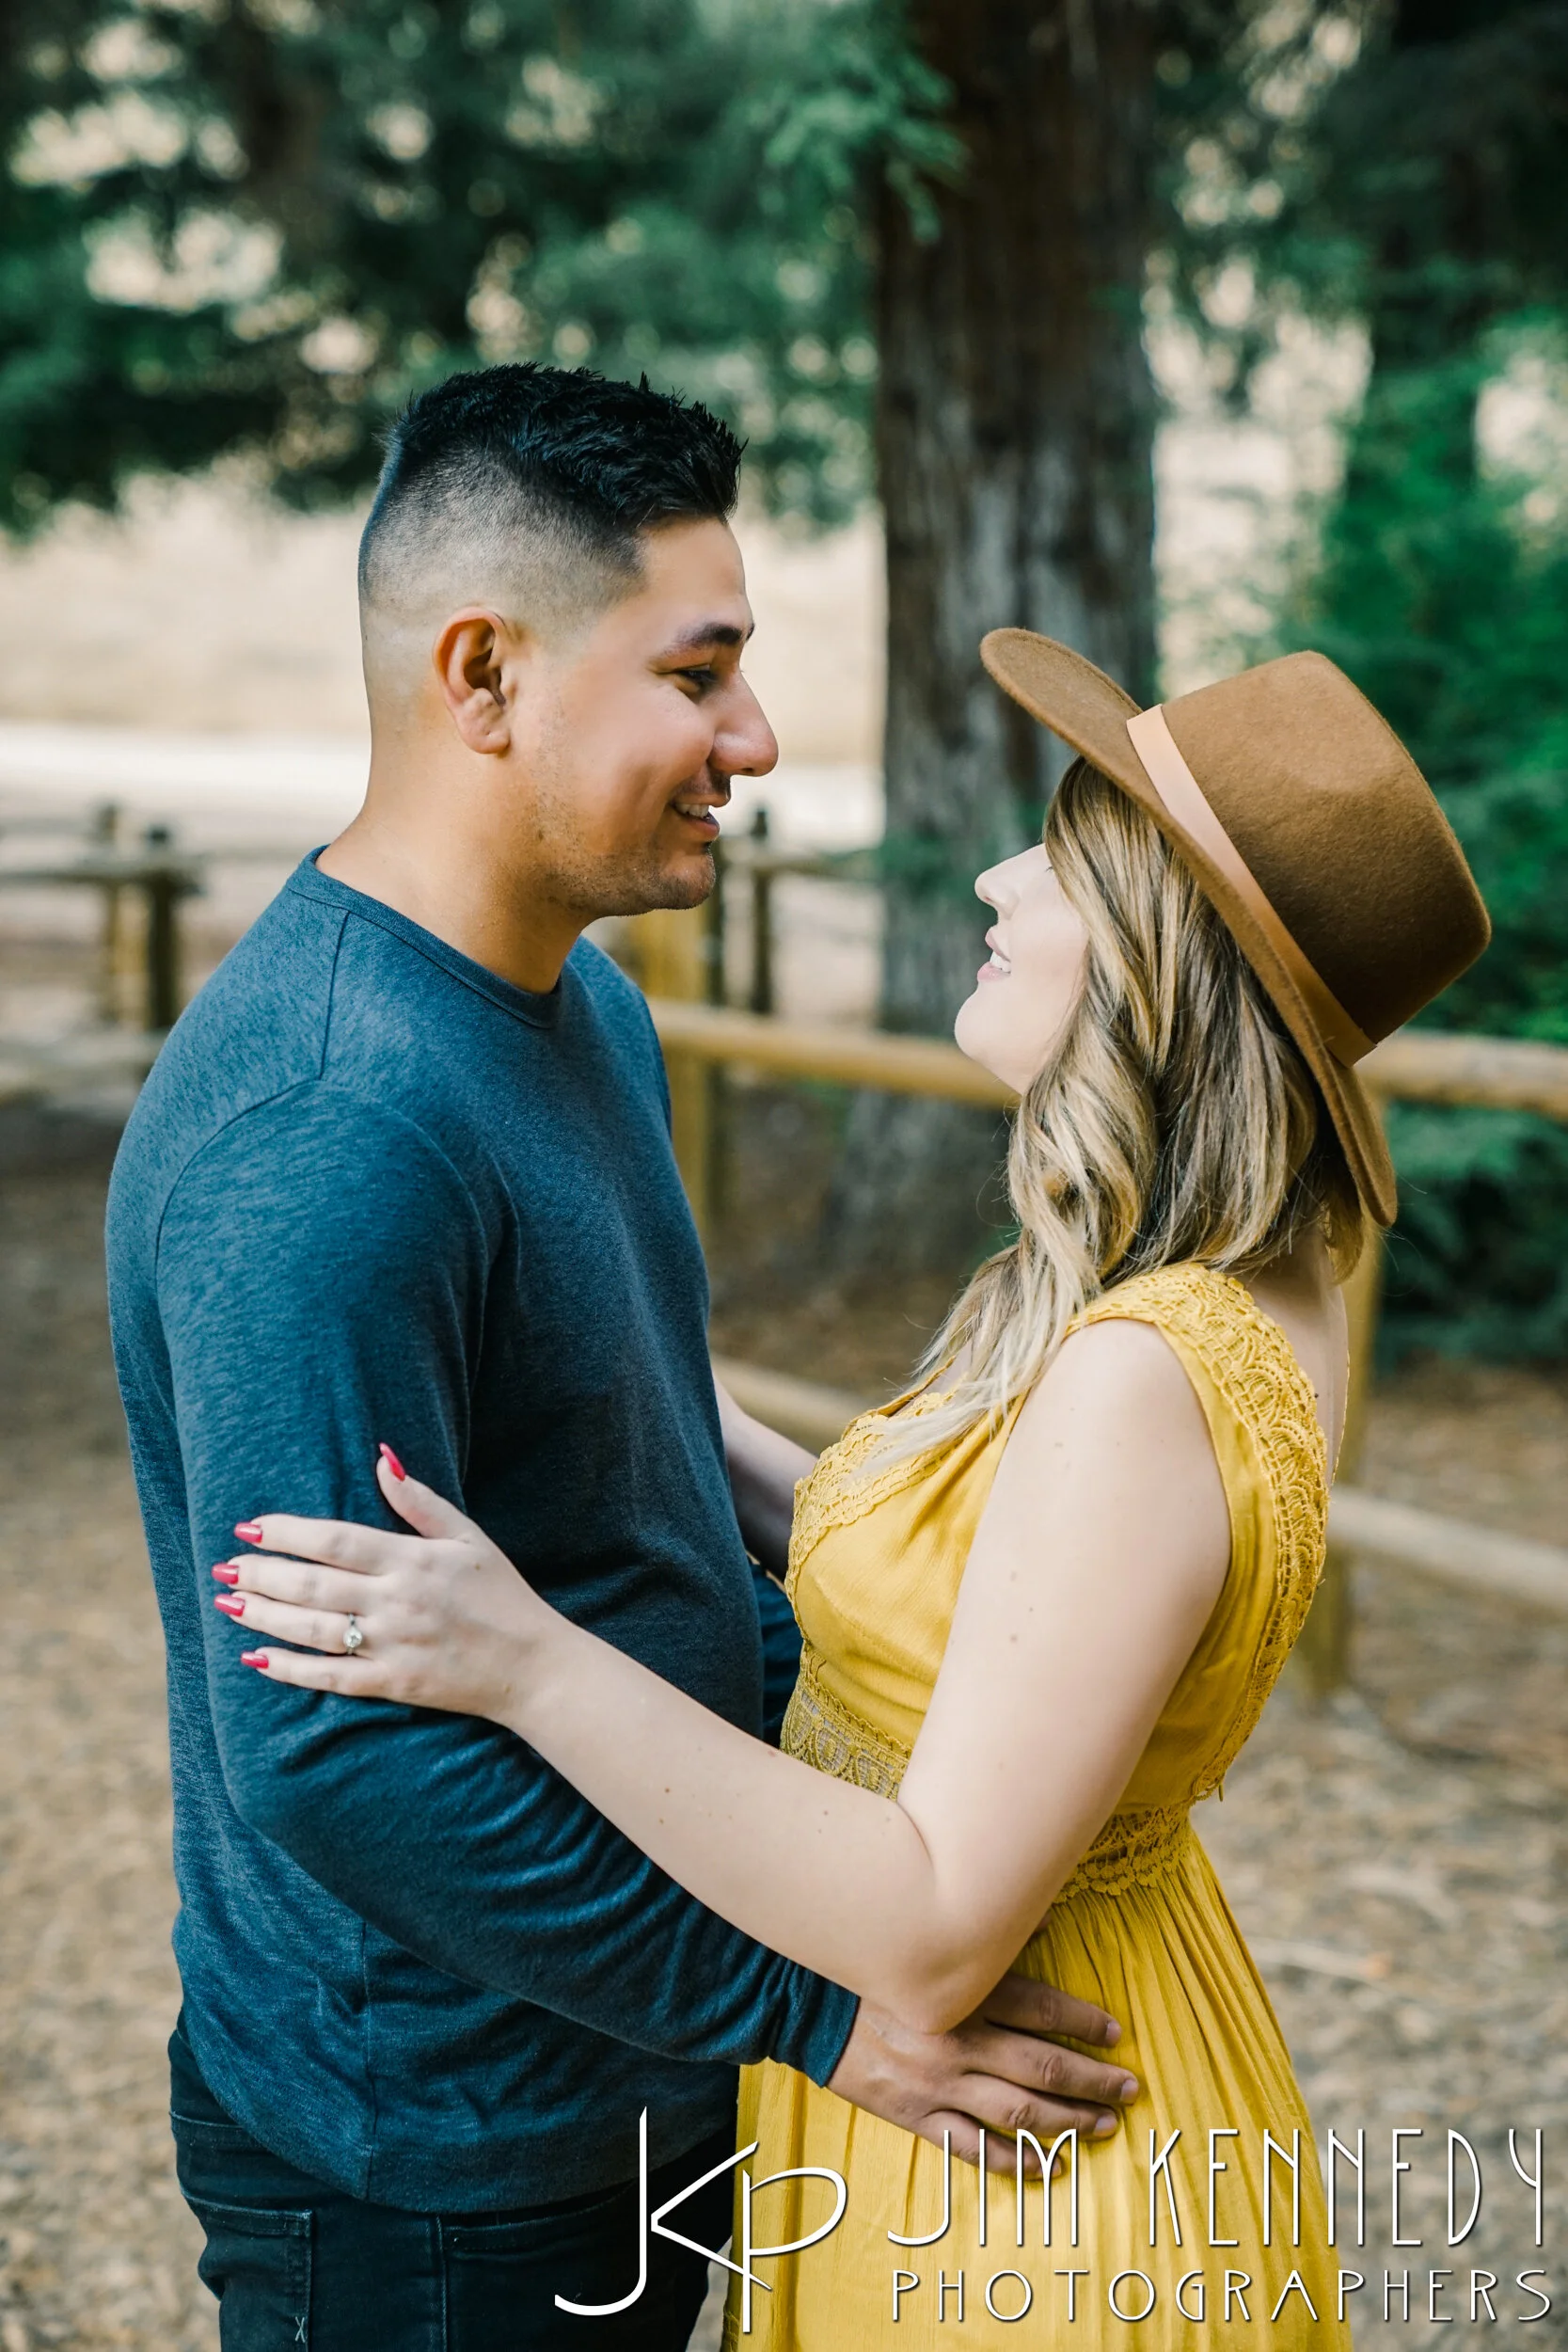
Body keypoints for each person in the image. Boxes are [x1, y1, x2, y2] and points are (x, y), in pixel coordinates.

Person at [210, 629, 1489, 2346]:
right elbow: (1001, 1592)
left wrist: (522, 1660)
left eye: (1057, 856)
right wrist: (637, 1387)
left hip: (1016, 2154)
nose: (995, 879)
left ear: (1152, 956)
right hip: (1101, 2028)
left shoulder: (1137, 1375)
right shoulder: (1265, 1276)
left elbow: (934, 1924)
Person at [104, 368, 1137, 2351]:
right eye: (696, 673)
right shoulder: (327, 1128)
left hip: (646, 2062)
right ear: (483, 675)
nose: (752, 738)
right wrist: (813, 2008)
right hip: (440, 2164)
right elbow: (327, 1752)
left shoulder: (584, 1009)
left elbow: (644, 1504)